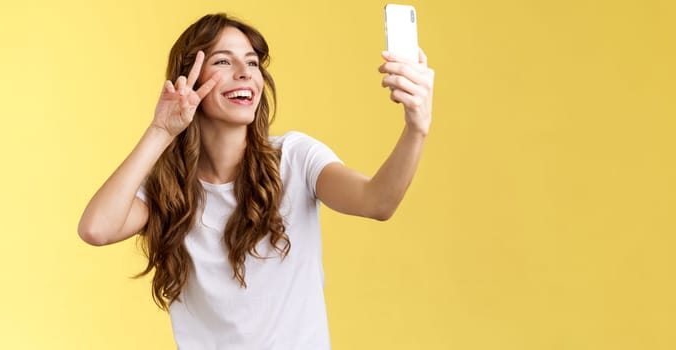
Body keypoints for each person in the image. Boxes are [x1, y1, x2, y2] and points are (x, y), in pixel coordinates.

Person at [78, 13, 434, 349]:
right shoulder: (168, 188)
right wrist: (161, 131)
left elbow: (377, 201)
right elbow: (96, 229)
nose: (245, 73)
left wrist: (415, 129)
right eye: (222, 61)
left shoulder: (296, 158)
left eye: (251, 62)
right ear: (189, 79)